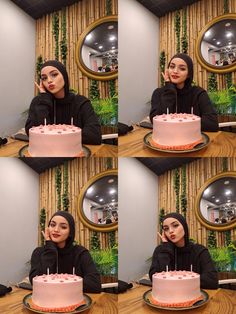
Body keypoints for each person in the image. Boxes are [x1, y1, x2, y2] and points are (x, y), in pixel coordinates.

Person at [25, 60, 102, 145]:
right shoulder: (38, 102)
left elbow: (94, 135)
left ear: (64, 76)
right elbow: (32, 133)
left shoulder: (81, 102)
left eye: (54, 75)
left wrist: (55, 136)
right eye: (44, 78)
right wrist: (44, 100)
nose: (49, 80)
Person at [29, 211, 101, 293]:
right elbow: (35, 282)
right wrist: (50, 250)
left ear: (70, 232)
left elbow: (95, 284)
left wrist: (60, 284)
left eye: (63, 227)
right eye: (52, 225)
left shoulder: (80, 253)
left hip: (75, 303)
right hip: (46, 302)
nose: (56, 230)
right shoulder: (39, 252)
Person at [150, 53, 219, 132]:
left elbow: (212, 123)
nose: (175, 71)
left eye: (182, 69)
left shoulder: (199, 93)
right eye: (172, 67)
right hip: (166, 140)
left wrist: (179, 122)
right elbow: (155, 121)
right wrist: (169, 91)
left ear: (189, 74)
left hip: (193, 141)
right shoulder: (158, 93)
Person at [149, 212, 218, 289]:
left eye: (175, 225)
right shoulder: (160, 250)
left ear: (184, 227)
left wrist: (178, 280)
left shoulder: (199, 251)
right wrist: (166, 249)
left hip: (195, 297)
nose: (170, 231)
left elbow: (212, 281)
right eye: (166, 228)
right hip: (168, 297)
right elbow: (154, 279)